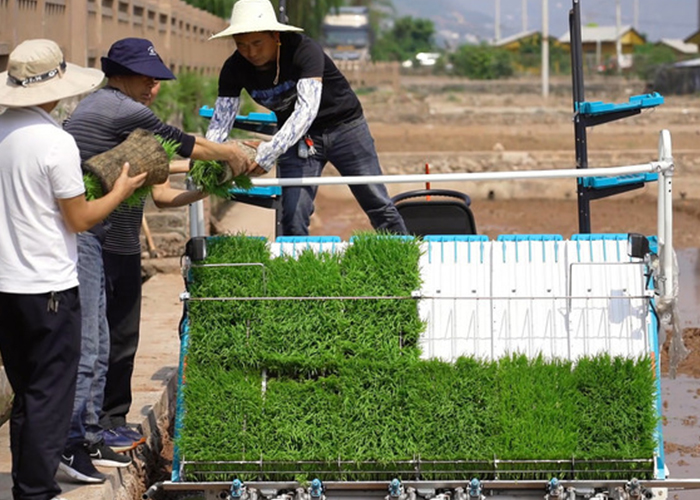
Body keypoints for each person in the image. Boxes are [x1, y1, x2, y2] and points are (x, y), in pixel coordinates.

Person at [62, 37, 254, 479]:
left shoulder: (129, 132)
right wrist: (235, 153)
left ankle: (108, 424)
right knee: (93, 343)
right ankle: (83, 433)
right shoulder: (119, 108)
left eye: (158, 80)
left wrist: (210, 187)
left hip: (123, 243)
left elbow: (163, 194)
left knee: (119, 340)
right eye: (146, 78)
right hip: (94, 242)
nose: (154, 87)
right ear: (119, 75)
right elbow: (190, 146)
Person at [0, 38, 147, 500]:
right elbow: (80, 218)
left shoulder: (2, 133)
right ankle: (37, 491)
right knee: (49, 397)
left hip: (6, 285)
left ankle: (29, 485)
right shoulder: (55, 141)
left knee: (26, 394)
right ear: (56, 86)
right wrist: (122, 189)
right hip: (49, 289)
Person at [206, 0, 407, 236]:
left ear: (275, 36)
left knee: (376, 201)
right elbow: (220, 122)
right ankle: (296, 269)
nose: (251, 52)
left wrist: (269, 152)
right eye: (242, 45)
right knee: (291, 214)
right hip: (299, 141)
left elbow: (306, 110)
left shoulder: (304, 50)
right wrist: (208, 159)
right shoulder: (234, 68)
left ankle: (406, 262)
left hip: (345, 129)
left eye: (257, 43)